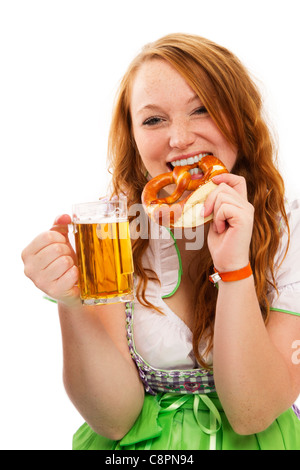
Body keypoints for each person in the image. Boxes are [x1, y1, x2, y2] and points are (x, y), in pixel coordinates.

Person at [21, 33, 300, 450]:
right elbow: (114, 419)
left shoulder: (288, 228)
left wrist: (235, 268)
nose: (179, 138)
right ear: (133, 137)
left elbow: (252, 412)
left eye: (202, 109)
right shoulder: (109, 229)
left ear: (241, 119)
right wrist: (72, 301)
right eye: (154, 120)